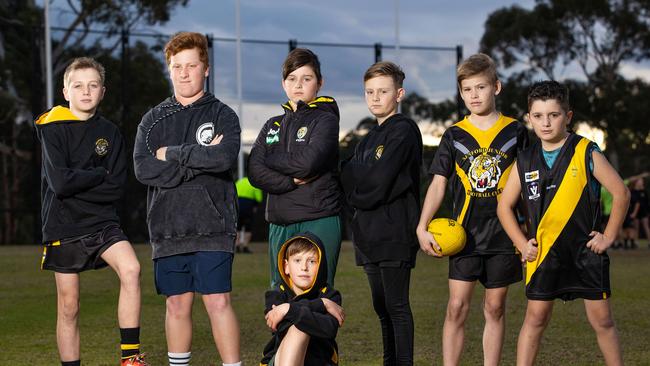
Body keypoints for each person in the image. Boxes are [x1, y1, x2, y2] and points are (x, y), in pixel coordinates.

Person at [497, 80, 628, 366]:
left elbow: (621, 192)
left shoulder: (585, 151)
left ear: (567, 117)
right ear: (529, 118)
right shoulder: (525, 159)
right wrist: (521, 244)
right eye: (539, 116)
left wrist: (608, 236)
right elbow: (504, 207)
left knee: (602, 320)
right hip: (544, 254)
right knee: (535, 318)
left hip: (586, 253)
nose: (546, 123)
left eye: (554, 115)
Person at [133, 32, 241, 366]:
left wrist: (174, 154)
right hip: (167, 228)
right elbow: (143, 169)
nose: (183, 73)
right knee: (176, 305)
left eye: (191, 65)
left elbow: (223, 159)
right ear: (170, 69)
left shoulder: (223, 115)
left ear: (205, 69)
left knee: (218, 303)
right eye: (177, 66)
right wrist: (197, 160)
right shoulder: (152, 121)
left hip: (213, 226)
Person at [415, 53, 528, 366]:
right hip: (464, 236)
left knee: (495, 307)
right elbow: (438, 184)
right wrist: (422, 226)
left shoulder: (516, 132)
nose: (474, 95)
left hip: (505, 235)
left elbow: (529, 185)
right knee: (456, 308)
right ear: (461, 92)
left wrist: (529, 230)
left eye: (481, 87)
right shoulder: (454, 135)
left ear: (496, 87)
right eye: (467, 89)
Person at [36, 57, 146, 366]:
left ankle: (130, 358)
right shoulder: (52, 127)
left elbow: (117, 187)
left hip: (102, 223)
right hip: (63, 225)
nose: (86, 91)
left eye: (93, 85)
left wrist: (80, 182)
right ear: (66, 91)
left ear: (103, 91)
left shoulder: (110, 133)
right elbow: (59, 183)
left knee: (131, 269)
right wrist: (98, 175)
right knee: (69, 306)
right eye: (78, 85)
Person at [340, 61, 422, 365]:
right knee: (381, 307)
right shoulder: (367, 139)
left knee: (397, 306)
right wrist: (362, 177)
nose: (376, 98)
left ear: (398, 94)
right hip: (367, 233)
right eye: (370, 92)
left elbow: (380, 180)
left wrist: (362, 178)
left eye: (383, 91)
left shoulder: (404, 130)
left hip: (394, 231)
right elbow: (345, 173)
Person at [248, 48, 342, 288]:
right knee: (279, 294)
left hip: (317, 217)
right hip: (280, 222)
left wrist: (270, 158)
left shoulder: (325, 120)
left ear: (319, 83)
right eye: (292, 78)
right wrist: (289, 182)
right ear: (283, 83)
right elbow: (255, 172)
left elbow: (307, 163)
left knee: (317, 293)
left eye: (306, 78)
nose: (298, 84)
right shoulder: (272, 125)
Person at [261, 233, 344, 366]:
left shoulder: (330, 296)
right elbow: (279, 326)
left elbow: (329, 329)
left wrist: (288, 309)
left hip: (319, 361)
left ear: (320, 265)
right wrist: (321, 305)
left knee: (301, 324)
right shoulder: (275, 295)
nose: (304, 267)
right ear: (286, 266)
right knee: (299, 327)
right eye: (297, 260)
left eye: (312, 261)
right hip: (280, 361)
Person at [235, 176, 263, 253]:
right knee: (248, 228)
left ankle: (237, 246)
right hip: (248, 206)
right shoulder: (254, 183)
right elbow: (259, 198)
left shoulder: (240, 181)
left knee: (237, 227)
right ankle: (245, 247)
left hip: (238, 205)